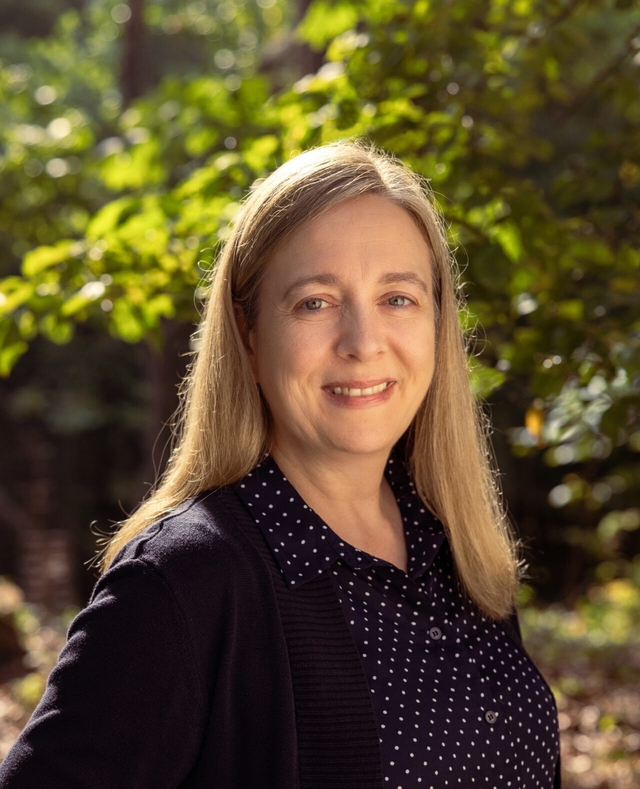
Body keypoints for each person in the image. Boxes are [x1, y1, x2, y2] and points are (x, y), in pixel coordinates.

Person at [0, 141, 560, 789]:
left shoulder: (456, 549)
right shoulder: (184, 581)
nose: (362, 342)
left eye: (398, 298)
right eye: (315, 302)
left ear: (438, 319)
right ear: (248, 328)